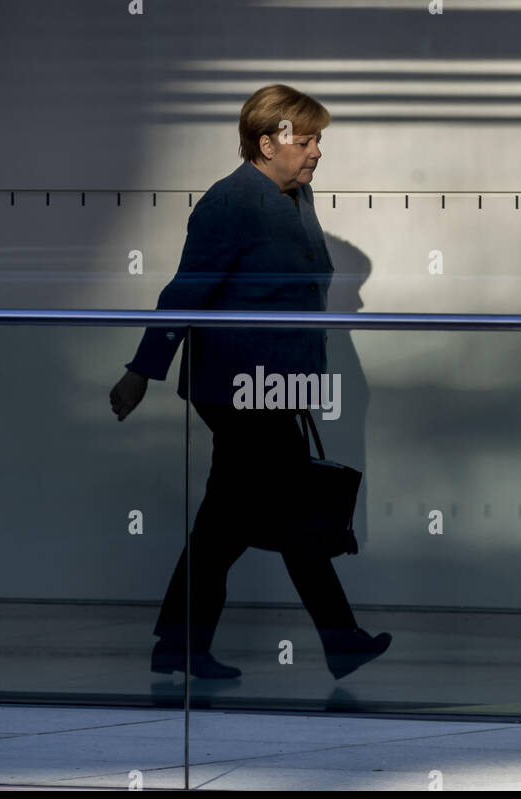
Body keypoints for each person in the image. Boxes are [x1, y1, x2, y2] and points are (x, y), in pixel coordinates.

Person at [110, 84, 391, 680]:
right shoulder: (231, 202)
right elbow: (186, 292)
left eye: (319, 140)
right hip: (239, 391)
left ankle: (179, 645)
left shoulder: (297, 197)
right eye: (307, 139)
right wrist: (141, 371)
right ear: (267, 143)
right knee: (285, 514)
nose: (317, 151)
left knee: (228, 522)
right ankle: (339, 641)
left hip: (274, 388)